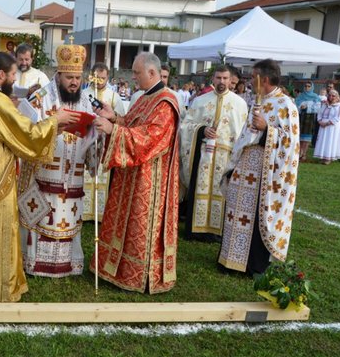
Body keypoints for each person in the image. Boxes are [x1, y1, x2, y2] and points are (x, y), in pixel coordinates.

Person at [0, 52, 77, 302]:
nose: (14, 80)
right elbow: (27, 135)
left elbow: (13, 134)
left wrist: (53, 128)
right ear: (1, 74)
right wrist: (55, 121)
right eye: (11, 75)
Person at [91, 52, 181, 293]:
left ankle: (138, 275)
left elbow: (150, 138)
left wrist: (112, 130)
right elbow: (133, 125)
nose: (133, 77)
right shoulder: (144, 97)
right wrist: (114, 118)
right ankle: (116, 267)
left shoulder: (165, 103)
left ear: (152, 73)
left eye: (136, 73)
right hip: (132, 174)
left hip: (150, 180)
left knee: (139, 227)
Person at [18, 42, 96, 277]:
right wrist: (54, 127)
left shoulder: (85, 101)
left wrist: (96, 134)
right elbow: (27, 133)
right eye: (69, 77)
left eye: (78, 78)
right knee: (43, 218)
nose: (74, 82)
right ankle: (35, 263)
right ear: (59, 74)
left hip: (73, 176)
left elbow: (92, 138)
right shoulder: (40, 98)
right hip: (45, 175)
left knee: (68, 217)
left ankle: (68, 264)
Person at [218, 59, 300, 275]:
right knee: (236, 211)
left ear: (264, 79)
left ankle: (252, 264)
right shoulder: (259, 101)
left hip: (265, 173)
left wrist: (267, 130)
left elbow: (290, 144)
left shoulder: (286, 105)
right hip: (245, 167)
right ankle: (230, 259)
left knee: (254, 217)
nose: (249, 81)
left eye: (253, 77)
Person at [179, 65, 248, 241]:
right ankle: (196, 230)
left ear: (231, 80)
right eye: (218, 78)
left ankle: (216, 232)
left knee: (221, 190)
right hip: (203, 155)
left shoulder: (239, 104)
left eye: (225, 78)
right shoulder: (200, 101)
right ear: (213, 79)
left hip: (226, 156)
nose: (222, 81)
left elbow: (243, 132)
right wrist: (202, 130)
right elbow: (186, 126)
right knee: (200, 188)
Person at [81, 62, 123, 223]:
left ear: (107, 78)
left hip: (106, 143)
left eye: (103, 78)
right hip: (87, 139)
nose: (99, 81)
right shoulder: (84, 94)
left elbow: (121, 119)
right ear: (91, 76)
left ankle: (100, 212)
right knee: (86, 173)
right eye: (96, 78)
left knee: (103, 175)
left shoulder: (114, 96)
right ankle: (85, 211)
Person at [313, 89, 340, 165]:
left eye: (333, 96)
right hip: (323, 125)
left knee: (330, 141)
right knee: (322, 141)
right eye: (330, 95)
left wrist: (327, 123)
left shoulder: (339, 105)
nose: (331, 97)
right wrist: (320, 121)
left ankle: (328, 158)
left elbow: (338, 117)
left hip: (332, 126)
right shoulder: (324, 104)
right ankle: (322, 156)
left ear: (337, 97)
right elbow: (320, 113)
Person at [294, 82, 322, 161]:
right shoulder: (300, 96)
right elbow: (295, 106)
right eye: (306, 86)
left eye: (309, 86)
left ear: (312, 87)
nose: (307, 87)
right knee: (299, 136)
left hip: (310, 118)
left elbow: (318, 108)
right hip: (300, 117)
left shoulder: (315, 97)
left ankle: (304, 154)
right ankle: (299, 153)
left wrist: (308, 106)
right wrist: (300, 107)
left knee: (307, 137)